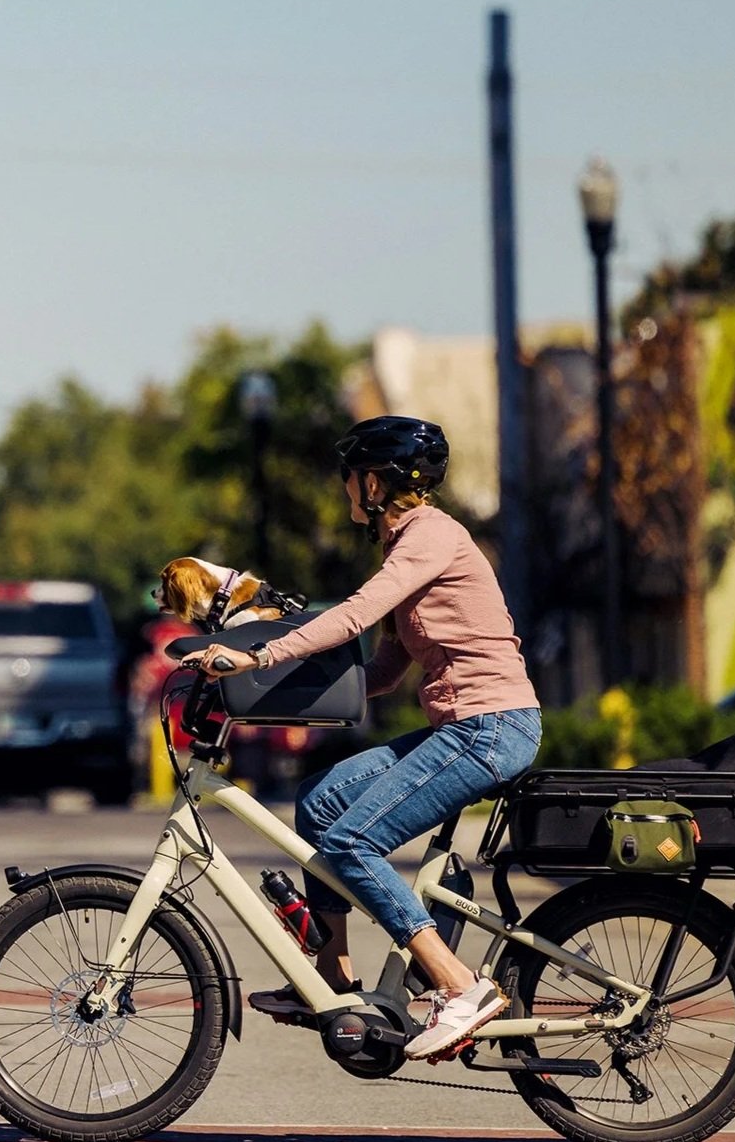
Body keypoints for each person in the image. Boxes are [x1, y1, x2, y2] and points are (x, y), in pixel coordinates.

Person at [182, 415, 541, 1060]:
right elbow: (379, 672)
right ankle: (333, 979)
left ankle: (459, 985)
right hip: (464, 727)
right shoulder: (407, 545)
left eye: (351, 477)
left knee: (351, 839)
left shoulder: (430, 537)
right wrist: (272, 701)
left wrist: (259, 656)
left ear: (374, 482)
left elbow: (352, 617)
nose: (346, 488)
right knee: (320, 802)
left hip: (490, 729)